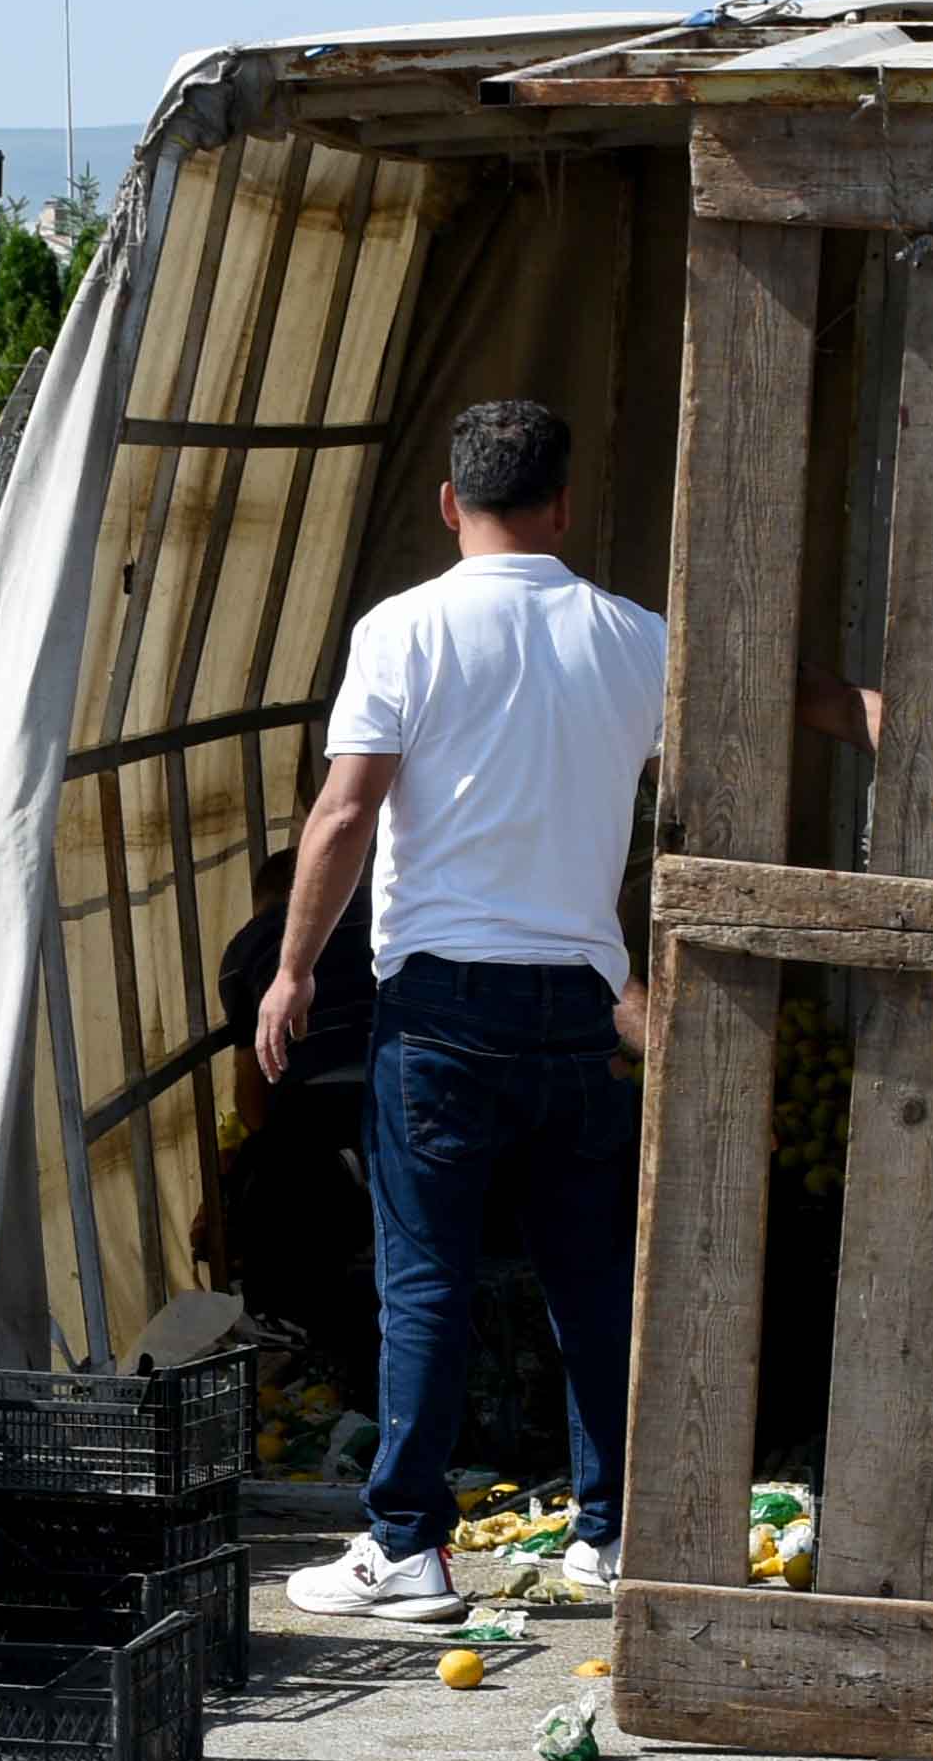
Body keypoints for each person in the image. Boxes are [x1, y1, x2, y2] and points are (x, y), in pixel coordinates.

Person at [251, 397, 667, 1623]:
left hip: (438, 1005)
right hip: (584, 1010)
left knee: (423, 1275)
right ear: (564, 504)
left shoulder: (405, 629)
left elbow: (345, 811)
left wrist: (292, 967)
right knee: (586, 1277)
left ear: (449, 502)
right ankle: (612, 1533)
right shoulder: (636, 638)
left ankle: (408, 1548)